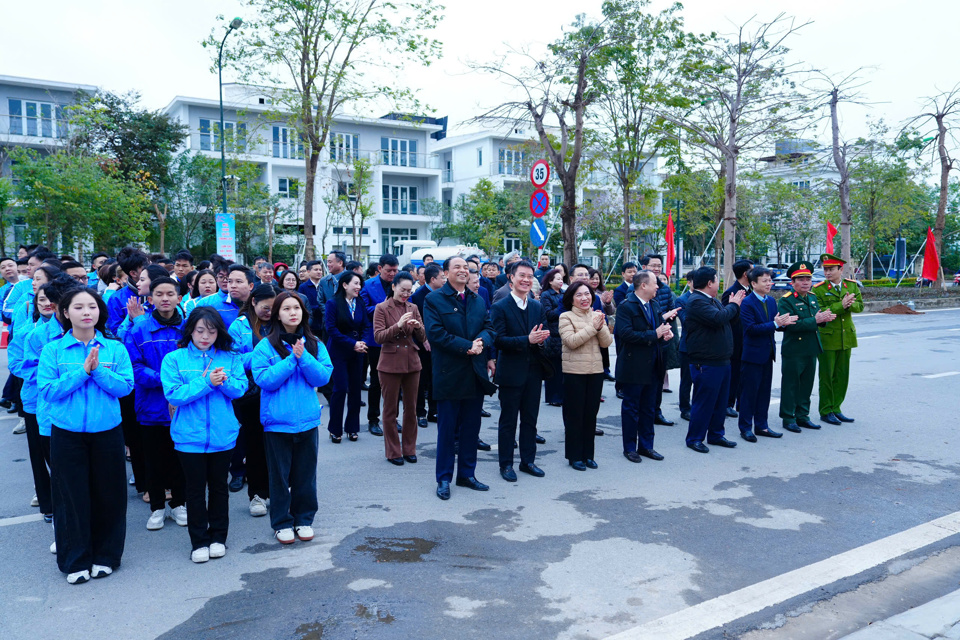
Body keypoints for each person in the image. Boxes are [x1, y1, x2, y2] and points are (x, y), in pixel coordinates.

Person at [39, 288, 134, 584]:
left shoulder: (114, 348)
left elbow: (126, 387)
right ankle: (75, 559)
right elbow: (47, 391)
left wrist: (99, 372)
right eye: (78, 307)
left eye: (91, 306)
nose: (86, 312)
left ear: (99, 312)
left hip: (107, 432)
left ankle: (106, 556)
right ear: (65, 313)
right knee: (70, 497)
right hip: (66, 434)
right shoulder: (53, 350)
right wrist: (82, 372)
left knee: (109, 495)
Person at [161, 307, 246, 563]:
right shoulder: (174, 359)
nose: (205, 336)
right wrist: (207, 382)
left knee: (220, 488)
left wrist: (225, 382)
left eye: (211, 331)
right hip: (189, 437)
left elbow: (240, 389)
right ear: (190, 331)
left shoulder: (230, 357)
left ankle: (219, 537)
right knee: (195, 491)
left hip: (223, 435)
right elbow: (174, 395)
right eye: (200, 330)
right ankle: (198, 541)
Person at [252, 292, 334, 544]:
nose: (292, 312)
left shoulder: (314, 344)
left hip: (307, 421)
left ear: (303, 312)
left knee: (305, 474)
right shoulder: (265, 346)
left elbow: (323, 377)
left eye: (296, 308)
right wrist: (291, 360)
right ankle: (281, 522)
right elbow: (264, 380)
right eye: (286, 308)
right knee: (279, 476)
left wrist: (304, 356)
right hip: (277, 423)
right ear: (277, 314)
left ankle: (304, 518)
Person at [424, 256, 497, 500]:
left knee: (471, 428)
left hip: (474, 373)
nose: (463, 271)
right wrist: (467, 346)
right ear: (446, 273)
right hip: (449, 373)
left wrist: (481, 343)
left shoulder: (478, 298)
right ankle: (443, 478)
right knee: (447, 431)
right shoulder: (434, 299)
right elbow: (435, 334)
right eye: (458, 267)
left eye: (466, 267)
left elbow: (489, 327)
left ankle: (467, 474)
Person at [127, 276, 189, 531]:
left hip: (184, 406)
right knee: (153, 460)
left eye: (170, 294)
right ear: (149, 299)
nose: (165, 299)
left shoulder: (188, 328)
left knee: (180, 458)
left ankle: (179, 504)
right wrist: (166, 380)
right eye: (159, 294)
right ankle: (157, 508)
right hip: (151, 406)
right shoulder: (138, 329)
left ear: (179, 298)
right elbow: (134, 368)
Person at [491, 260, 550, 482]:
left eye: (530, 276)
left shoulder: (537, 306)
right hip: (510, 372)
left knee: (530, 419)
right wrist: (528, 339)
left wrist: (542, 340)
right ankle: (506, 464)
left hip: (534, 371)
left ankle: (528, 461)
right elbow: (498, 340)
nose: (526, 280)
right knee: (508, 421)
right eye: (522, 276)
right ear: (511, 278)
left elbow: (545, 334)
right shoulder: (500, 306)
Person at [615, 270, 677, 463]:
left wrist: (665, 334)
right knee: (631, 409)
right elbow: (625, 334)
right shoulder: (627, 306)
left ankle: (646, 446)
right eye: (654, 283)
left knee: (649, 408)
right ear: (643, 286)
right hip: (634, 366)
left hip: (653, 364)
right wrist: (655, 334)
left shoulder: (655, 304)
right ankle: (630, 448)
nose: (658, 287)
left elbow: (657, 330)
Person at [683, 267, 745, 454]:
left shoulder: (711, 300)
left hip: (722, 359)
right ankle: (694, 438)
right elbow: (719, 319)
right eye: (717, 279)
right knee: (704, 402)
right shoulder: (696, 301)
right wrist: (734, 305)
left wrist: (734, 308)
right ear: (709, 283)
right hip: (706, 361)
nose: (718, 282)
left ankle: (716, 434)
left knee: (720, 402)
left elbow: (727, 320)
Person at [228, 284, 277, 516]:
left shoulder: (283, 321)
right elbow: (233, 359)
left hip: (278, 392)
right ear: (254, 302)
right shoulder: (239, 326)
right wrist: (263, 356)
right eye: (265, 308)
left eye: (273, 308)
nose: (269, 312)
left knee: (279, 445)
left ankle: (279, 490)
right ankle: (257, 494)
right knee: (255, 446)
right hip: (250, 395)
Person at [373, 271, 425, 465]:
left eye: (409, 291)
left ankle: (409, 449)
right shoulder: (381, 308)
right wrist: (398, 325)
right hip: (389, 363)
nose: (406, 294)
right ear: (393, 286)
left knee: (411, 409)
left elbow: (423, 337)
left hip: (412, 362)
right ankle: (393, 451)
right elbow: (378, 337)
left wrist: (418, 327)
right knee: (390, 410)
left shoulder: (413, 306)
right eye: (403, 290)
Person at [738, 267, 796, 441]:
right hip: (752, 355)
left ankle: (762, 426)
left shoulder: (770, 301)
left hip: (768, 353)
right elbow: (751, 329)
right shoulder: (747, 303)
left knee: (764, 392)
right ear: (753, 283)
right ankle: (745, 427)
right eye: (764, 281)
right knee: (749, 393)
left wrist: (784, 323)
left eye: (770, 280)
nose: (769, 283)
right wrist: (776, 324)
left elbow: (774, 324)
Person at [778, 261, 836, 433]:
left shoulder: (811, 297)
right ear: (793, 282)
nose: (805, 282)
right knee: (791, 386)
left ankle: (803, 416)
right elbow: (790, 325)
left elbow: (816, 320)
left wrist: (823, 319)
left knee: (806, 385)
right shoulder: (786, 301)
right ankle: (788, 417)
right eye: (800, 279)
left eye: (808, 279)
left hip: (811, 347)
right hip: (794, 349)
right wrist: (816, 320)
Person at [559, 281, 612, 470]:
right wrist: (592, 327)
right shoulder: (566, 317)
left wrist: (600, 325)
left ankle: (588, 454)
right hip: (574, 372)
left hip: (595, 371)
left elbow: (606, 343)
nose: (584, 298)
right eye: (579, 295)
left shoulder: (597, 315)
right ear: (571, 298)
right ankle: (574, 456)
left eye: (587, 294)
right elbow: (572, 342)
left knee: (591, 415)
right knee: (575, 416)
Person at [813, 253, 863, 424]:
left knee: (842, 376)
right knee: (827, 376)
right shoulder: (818, 289)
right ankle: (825, 410)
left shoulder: (852, 286)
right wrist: (841, 306)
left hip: (846, 337)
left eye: (831, 269)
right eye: (825, 269)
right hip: (827, 338)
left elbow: (860, 306)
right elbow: (821, 311)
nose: (827, 273)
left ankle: (836, 407)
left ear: (841, 270)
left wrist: (850, 304)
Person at [359, 254, 399, 436]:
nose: (393, 274)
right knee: (376, 381)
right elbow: (363, 310)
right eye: (389, 270)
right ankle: (373, 419)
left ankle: (392, 418)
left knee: (396, 382)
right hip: (375, 340)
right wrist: (383, 306)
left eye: (395, 270)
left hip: (397, 338)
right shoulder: (368, 285)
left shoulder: (401, 282)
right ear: (380, 269)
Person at [325, 272, 367, 443]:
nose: (358, 287)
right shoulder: (333, 303)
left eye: (359, 284)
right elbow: (331, 329)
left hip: (358, 352)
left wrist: (363, 341)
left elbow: (367, 325)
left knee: (356, 391)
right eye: (355, 283)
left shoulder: (360, 302)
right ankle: (335, 429)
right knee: (340, 389)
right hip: (339, 351)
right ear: (344, 285)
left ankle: (352, 428)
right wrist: (352, 343)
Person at [639, 254, 676, 427]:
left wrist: (667, 321)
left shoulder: (665, 289)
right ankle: (642, 412)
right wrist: (663, 317)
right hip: (643, 342)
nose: (657, 268)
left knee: (658, 380)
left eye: (659, 265)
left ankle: (656, 411)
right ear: (644, 267)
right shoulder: (637, 287)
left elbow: (670, 311)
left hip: (661, 341)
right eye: (653, 265)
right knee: (643, 381)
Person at [411, 264, 443, 427]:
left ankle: (433, 411)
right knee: (421, 380)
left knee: (435, 379)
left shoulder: (443, 295)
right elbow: (416, 321)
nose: (444, 280)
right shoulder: (418, 296)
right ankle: (420, 413)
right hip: (422, 344)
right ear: (433, 279)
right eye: (442, 277)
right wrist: (423, 339)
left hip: (439, 344)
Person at [721, 259, 754, 417]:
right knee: (733, 373)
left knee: (744, 374)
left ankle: (741, 402)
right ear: (745, 274)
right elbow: (727, 317)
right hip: (735, 340)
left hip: (747, 339)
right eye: (752, 271)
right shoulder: (732, 292)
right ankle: (728, 403)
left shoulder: (750, 290)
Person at [540, 268, 566, 407]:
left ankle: (562, 395)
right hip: (553, 334)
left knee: (562, 368)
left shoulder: (564, 293)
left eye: (561, 279)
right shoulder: (546, 295)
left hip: (564, 333)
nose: (561, 281)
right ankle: (553, 397)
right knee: (553, 367)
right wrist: (561, 309)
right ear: (550, 281)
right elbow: (548, 314)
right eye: (557, 279)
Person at [675, 271, 696, 421]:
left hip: (705, 348)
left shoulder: (710, 298)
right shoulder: (682, 300)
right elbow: (686, 322)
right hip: (687, 346)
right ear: (689, 282)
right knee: (686, 380)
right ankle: (685, 408)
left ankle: (697, 406)